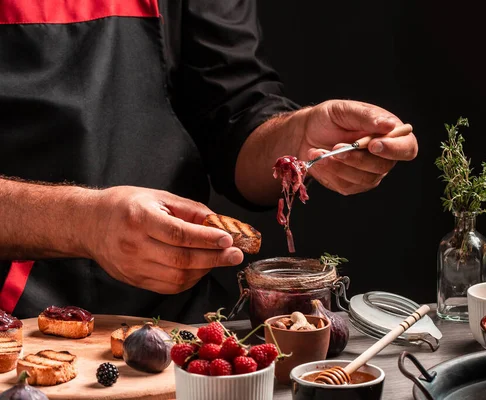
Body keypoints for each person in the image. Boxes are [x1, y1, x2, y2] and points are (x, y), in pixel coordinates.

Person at [0, 0, 417, 323]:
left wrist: (299, 138)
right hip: (13, 322)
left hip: (175, 323)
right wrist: (82, 222)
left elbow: (232, 108)